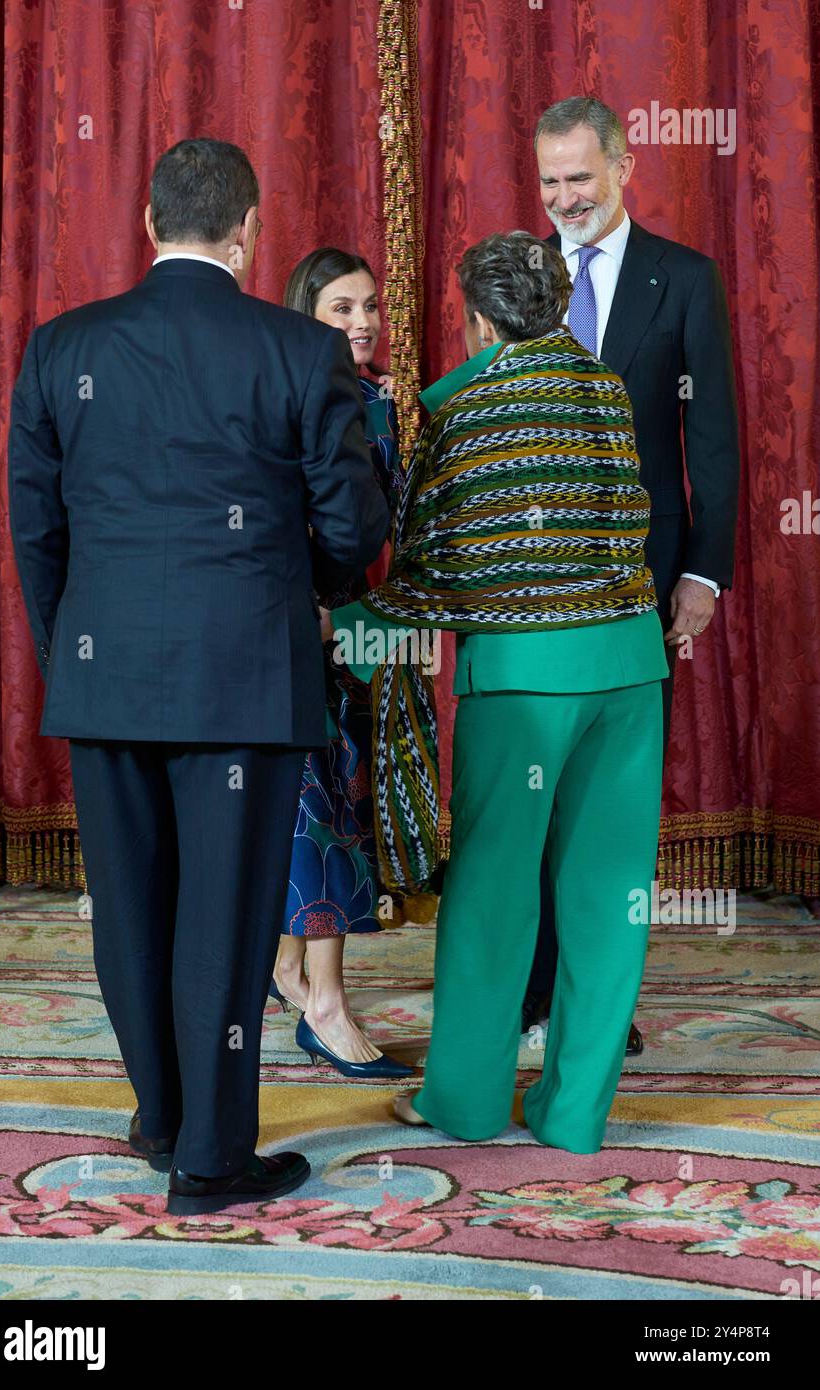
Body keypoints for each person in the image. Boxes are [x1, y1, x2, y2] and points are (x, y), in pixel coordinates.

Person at [7, 139, 389, 1216]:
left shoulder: (59, 346)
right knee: (221, 920)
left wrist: (72, 653)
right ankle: (212, 1160)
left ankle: (163, 1119)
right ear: (249, 230)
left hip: (105, 677)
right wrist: (301, 587)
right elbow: (352, 525)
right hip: (246, 680)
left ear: (146, 219)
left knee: (131, 912)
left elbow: (35, 533)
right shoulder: (297, 349)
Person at [325, 232, 668, 1152]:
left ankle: (468, 1105)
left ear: (477, 317)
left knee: (491, 894)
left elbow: (435, 567)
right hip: (631, 673)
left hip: (522, 686)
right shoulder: (606, 387)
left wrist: (348, 634)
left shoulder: (468, 405)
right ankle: (574, 1116)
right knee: (608, 899)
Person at [522, 96, 740, 1046]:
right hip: (527, 581)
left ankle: (599, 1000)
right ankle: (532, 993)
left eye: (579, 176)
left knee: (609, 809)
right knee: (530, 793)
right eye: (549, 181)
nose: (564, 197)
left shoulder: (684, 279)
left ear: (624, 168)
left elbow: (716, 444)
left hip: (636, 585)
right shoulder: (519, 276)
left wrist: (703, 574)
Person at [271, 249, 411, 1079]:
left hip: (351, 629)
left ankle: (291, 971)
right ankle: (323, 1002)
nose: (361, 323)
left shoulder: (376, 399)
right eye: (340, 309)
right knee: (319, 810)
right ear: (305, 315)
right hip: (298, 624)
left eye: (368, 307)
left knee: (327, 801)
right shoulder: (290, 391)